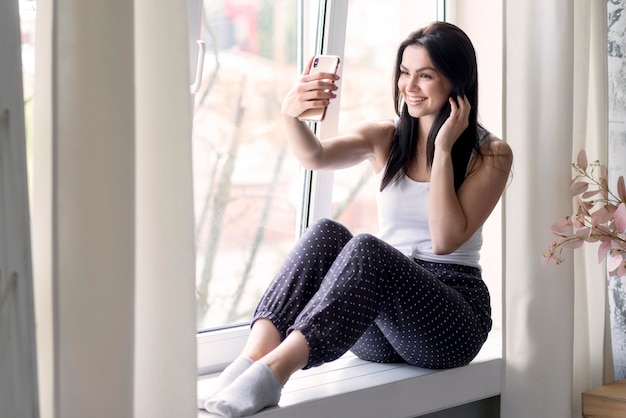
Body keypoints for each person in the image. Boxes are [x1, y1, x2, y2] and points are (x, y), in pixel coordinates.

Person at [203, 21, 513, 417]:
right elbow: (315, 157)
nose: (410, 86)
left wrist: (443, 147)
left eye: (425, 75)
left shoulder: (491, 155)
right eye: (404, 72)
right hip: (380, 325)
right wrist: (290, 116)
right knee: (326, 232)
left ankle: (273, 375)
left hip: (449, 323)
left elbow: (445, 240)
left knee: (368, 247)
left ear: (456, 81)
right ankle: (248, 363)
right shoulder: (386, 137)